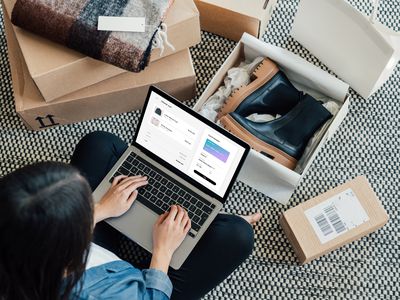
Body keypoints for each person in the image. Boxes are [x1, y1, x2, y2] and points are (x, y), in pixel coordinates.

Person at [0, 131, 261, 300]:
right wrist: (163, 252)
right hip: (139, 287)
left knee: (100, 144)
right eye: (85, 209)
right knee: (237, 235)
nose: (91, 203)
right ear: (68, 244)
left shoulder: (16, 242)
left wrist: (102, 208)